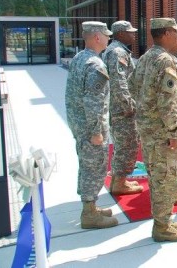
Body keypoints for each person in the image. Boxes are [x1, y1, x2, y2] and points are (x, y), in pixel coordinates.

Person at [129, 17, 177, 242]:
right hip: (163, 133)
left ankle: (164, 220)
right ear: (165, 34)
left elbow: (132, 85)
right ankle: (162, 227)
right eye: (176, 33)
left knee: (157, 176)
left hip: (150, 129)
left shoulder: (146, 57)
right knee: (165, 177)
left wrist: (146, 112)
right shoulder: (165, 61)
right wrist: (173, 131)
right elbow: (168, 101)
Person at [65, 21, 118, 229]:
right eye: (106, 35)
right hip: (90, 127)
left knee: (87, 165)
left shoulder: (80, 58)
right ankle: (89, 213)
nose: (108, 38)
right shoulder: (95, 64)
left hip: (80, 125)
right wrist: (96, 131)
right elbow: (93, 101)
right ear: (97, 37)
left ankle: (91, 207)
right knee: (94, 167)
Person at [102, 20, 143, 196]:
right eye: (129, 32)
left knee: (124, 144)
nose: (133, 34)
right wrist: (130, 106)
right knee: (127, 144)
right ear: (120, 34)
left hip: (120, 107)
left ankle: (121, 180)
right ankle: (119, 183)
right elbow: (119, 83)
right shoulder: (117, 52)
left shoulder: (116, 50)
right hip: (123, 109)